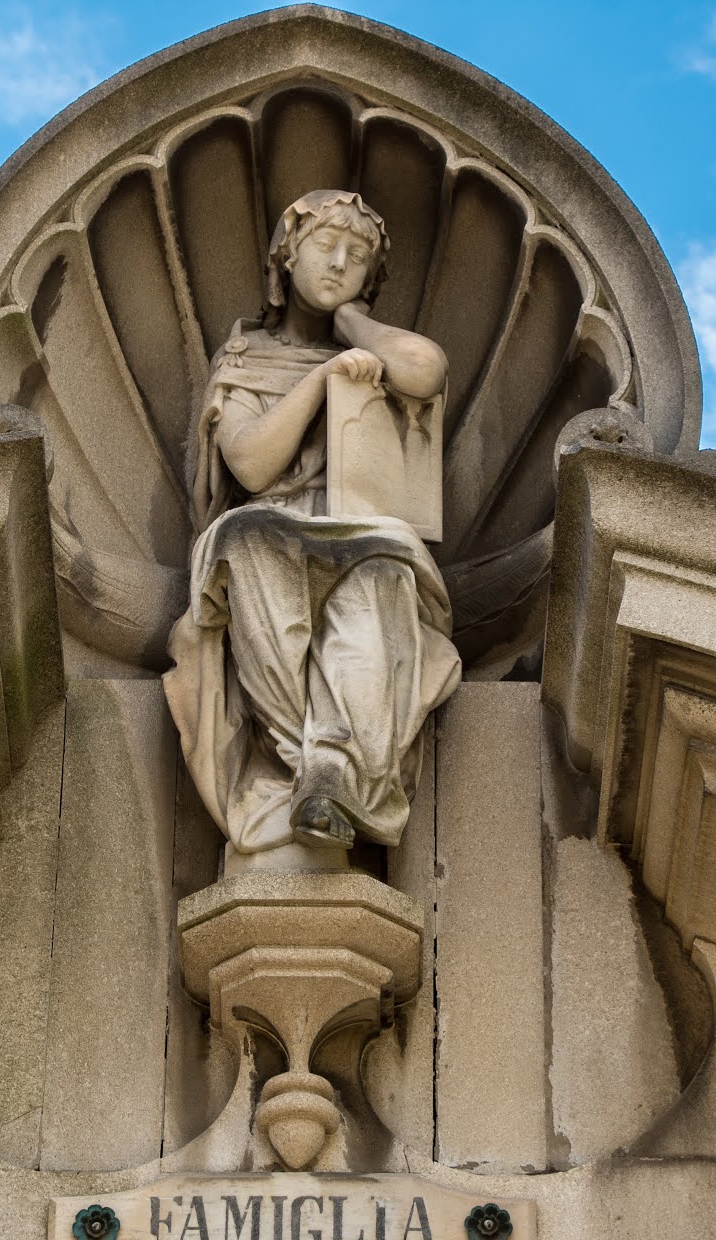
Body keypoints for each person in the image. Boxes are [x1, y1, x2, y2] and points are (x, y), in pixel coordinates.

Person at [164, 189, 461, 859]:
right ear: (284, 257)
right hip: (271, 528)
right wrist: (324, 376)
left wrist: (353, 324)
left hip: (361, 530)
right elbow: (250, 463)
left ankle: (331, 772)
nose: (337, 263)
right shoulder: (246, 359)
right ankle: (298, 753)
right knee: (242, 546)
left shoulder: (372, 354)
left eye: (357, 258)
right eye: (324, 247)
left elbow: (427, 368)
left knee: (385, 574)